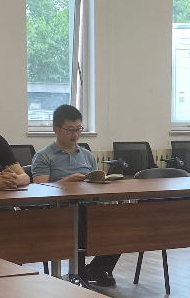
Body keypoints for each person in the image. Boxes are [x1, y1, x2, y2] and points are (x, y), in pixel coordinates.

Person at [30, 105, 122, 286]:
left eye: (78, 129)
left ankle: (97, 268)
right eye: (70, 130)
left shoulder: (86, 155)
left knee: (120, 222)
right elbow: (39, 189)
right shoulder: (44, 156)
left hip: (88, 203)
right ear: (56, 129)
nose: (75, 135)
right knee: (78, 217)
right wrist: (67, 181)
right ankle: (79, 272)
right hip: (58, 209)